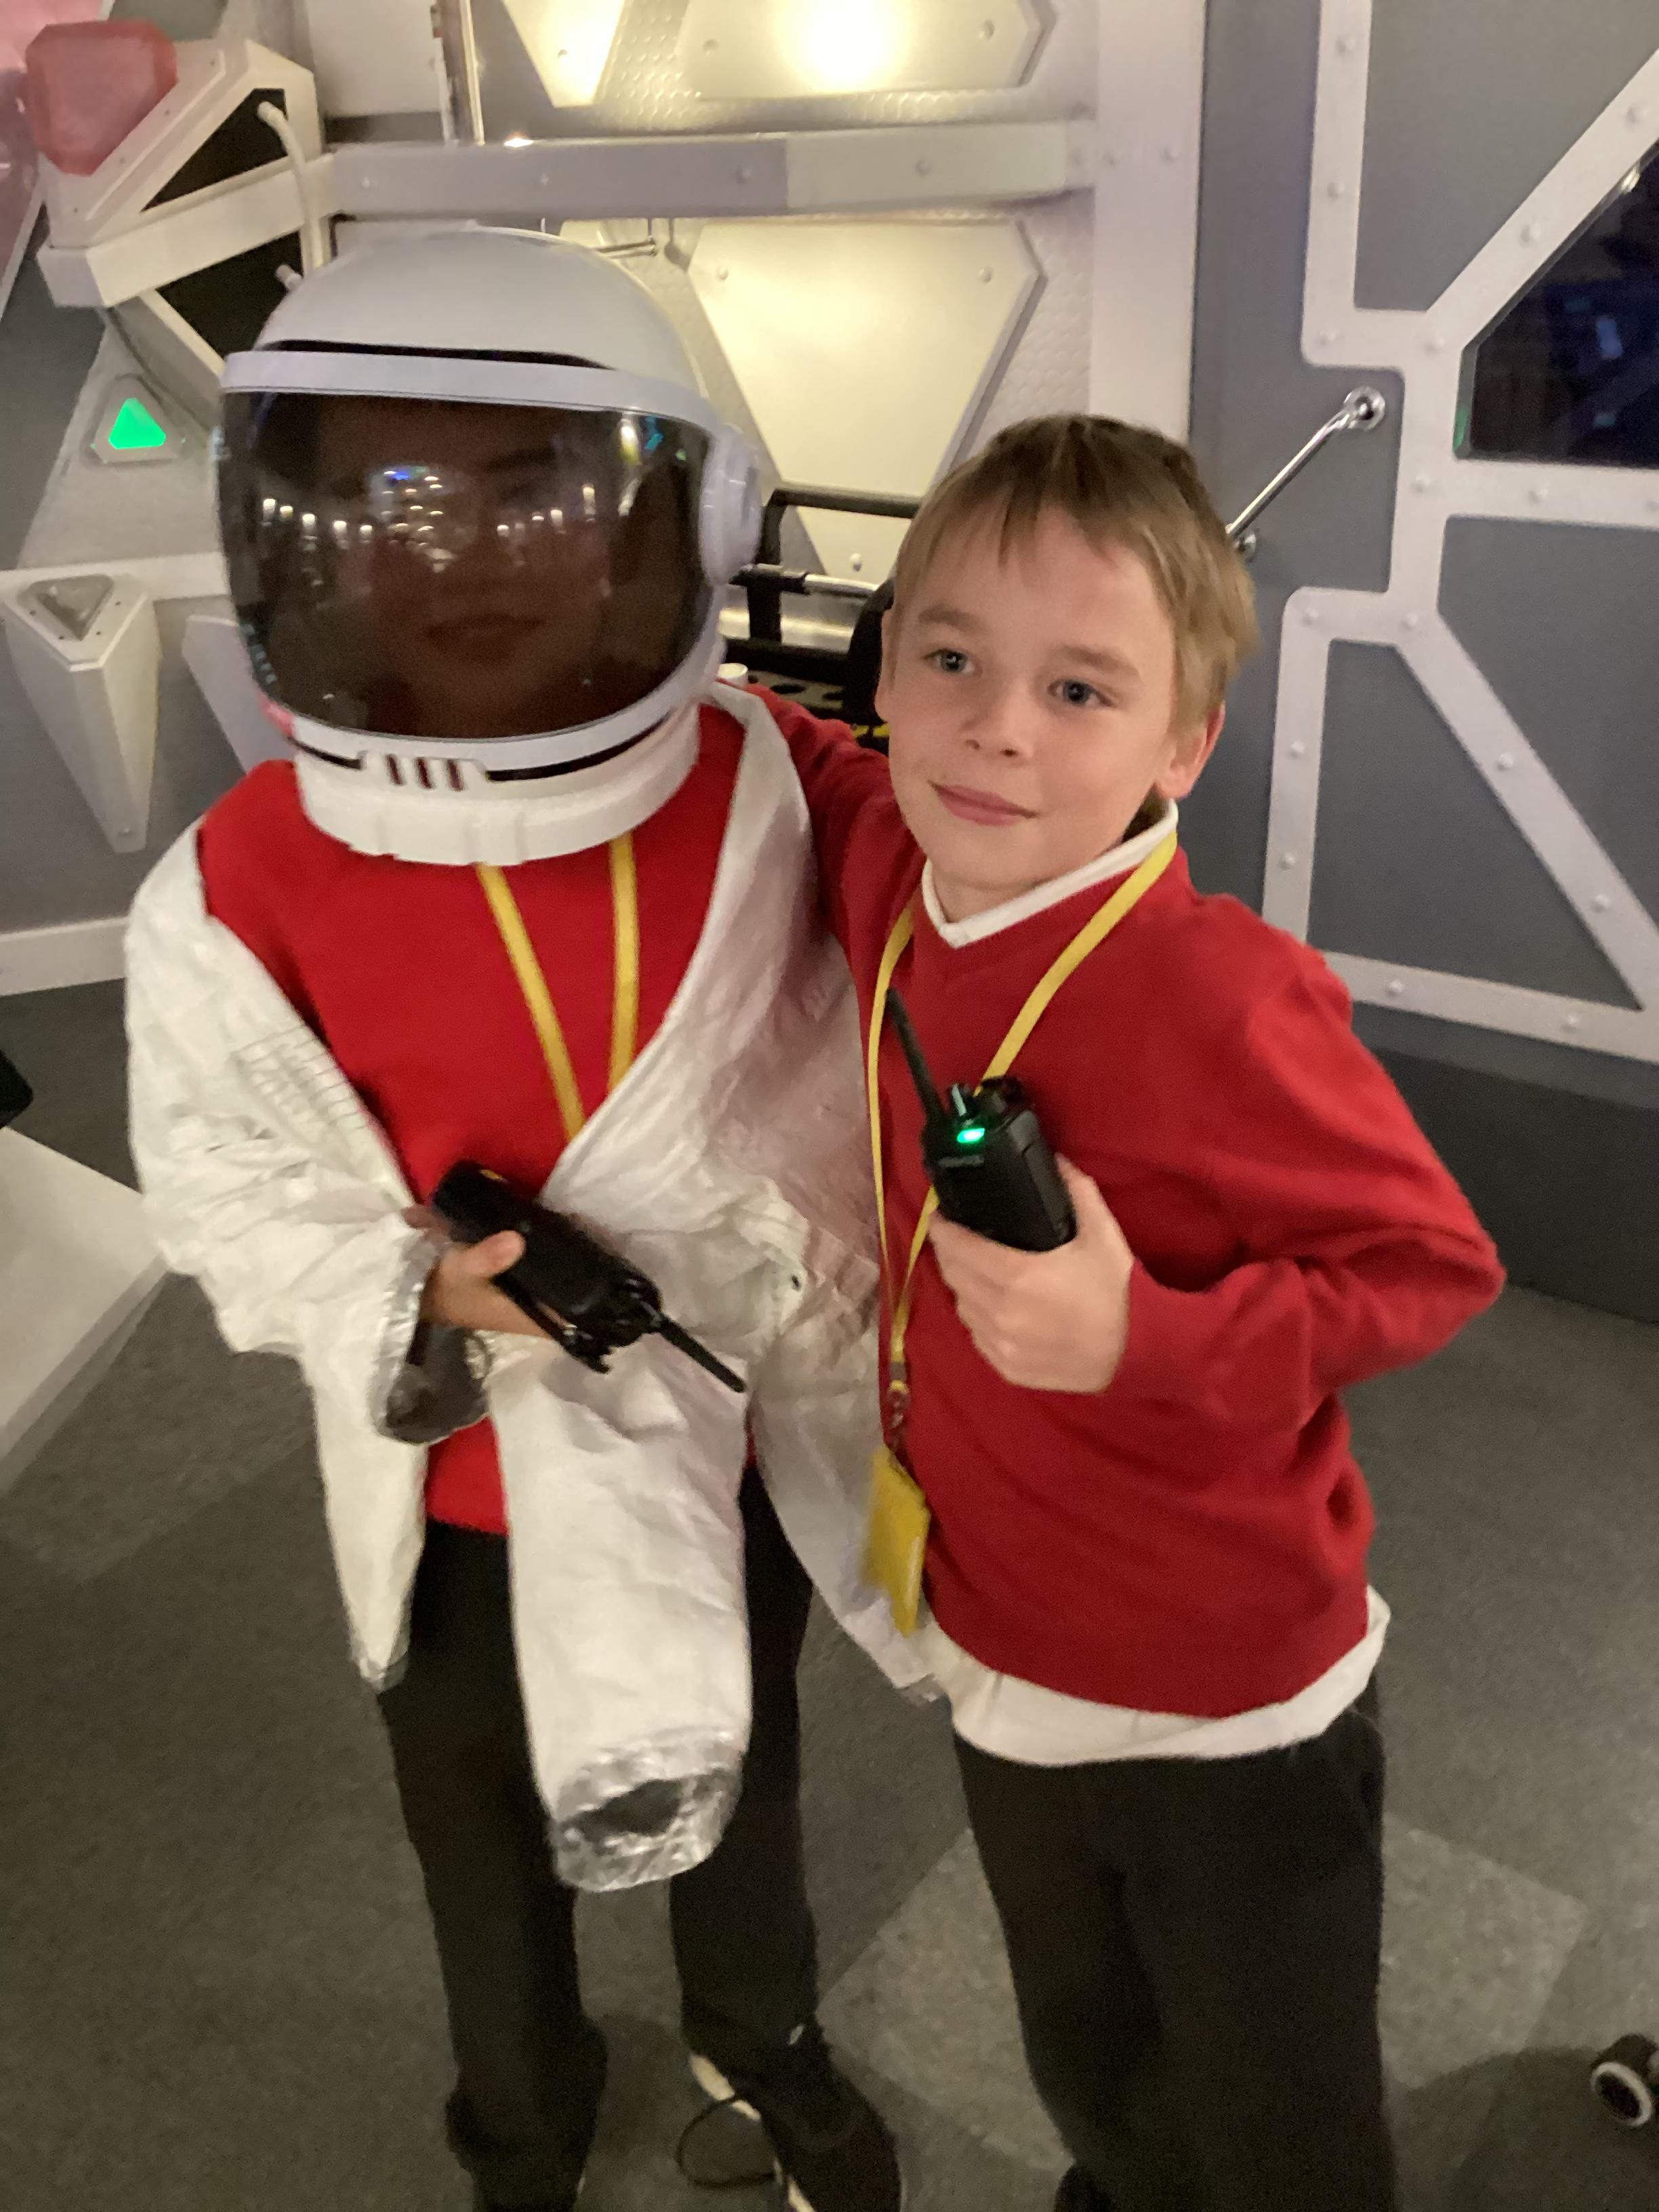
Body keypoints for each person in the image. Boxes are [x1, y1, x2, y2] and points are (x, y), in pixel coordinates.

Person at [124, 226, 921, 2212]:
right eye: (394, 507)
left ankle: (760, 2038)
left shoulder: (770, 783)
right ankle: (521, 2105)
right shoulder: (237, 882)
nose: (462, 559)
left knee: (742, 1760)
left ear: (681, 526)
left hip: (720, 1424)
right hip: (457, 1472)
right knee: (473, 1832)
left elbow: (971, 911)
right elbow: (223, 1182)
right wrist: (411, 1305)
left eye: (529, 501)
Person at [758, 413, 1507, 2212]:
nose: (997, 728)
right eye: (951, 661)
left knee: (1279, 2118)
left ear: (1184, 744)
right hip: (1004, 1643)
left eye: (1080, 690)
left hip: (1219, 1696)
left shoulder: (1228, 999)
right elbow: (778, 744)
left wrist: (1144, 1342)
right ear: (890, 672)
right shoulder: (890, 873)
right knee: (1090, 2053)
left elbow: (1430, 1270)